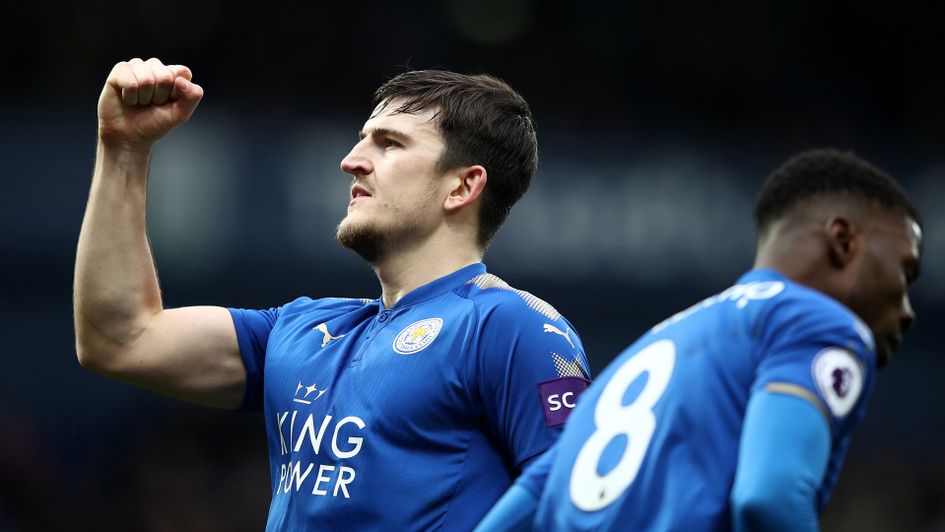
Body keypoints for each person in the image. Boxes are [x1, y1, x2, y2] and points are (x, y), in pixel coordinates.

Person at [74, 58, 591, 530]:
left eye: (389, 144)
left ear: (462, 187)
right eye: (362, 139)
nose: (351, 160)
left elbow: (580, 497)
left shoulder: (509, 325)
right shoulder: (299, 331)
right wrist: (123, 148)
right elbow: (119, 338)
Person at [476, 148, 922, 531]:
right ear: (843, 241)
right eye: (906, 272)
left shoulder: (651, 349)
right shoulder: (819, 323)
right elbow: (769, 499)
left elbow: (530, 495)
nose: (907, 311)